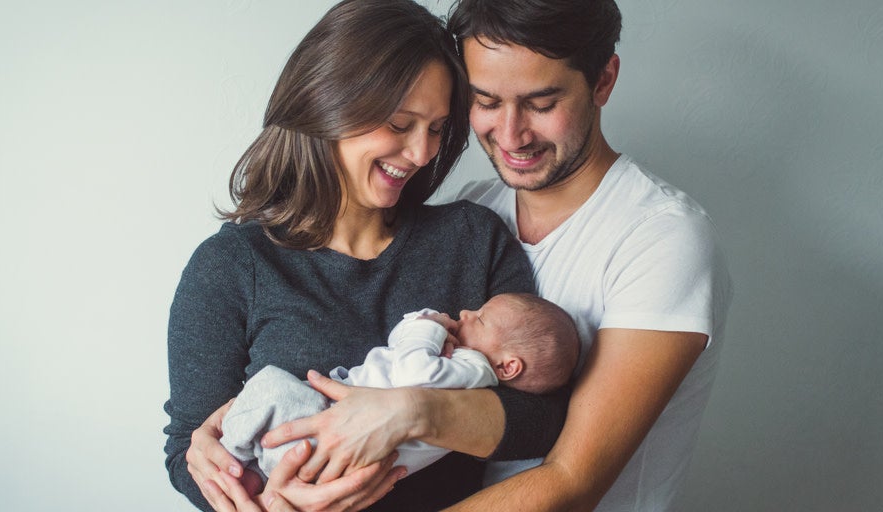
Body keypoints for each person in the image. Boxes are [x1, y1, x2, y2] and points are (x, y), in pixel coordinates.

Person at [214, 1, 733, 511]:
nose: (510, 135)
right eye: (485, 101)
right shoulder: (474, 215)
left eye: (542, 102)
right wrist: (212, 445)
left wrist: (413, 411)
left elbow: (571, 482)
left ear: (602, 81)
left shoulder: (661, 238)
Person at [163, 1, 570, 511]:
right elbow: (187, 448)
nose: (423, 154)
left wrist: (410, 412)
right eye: (401, 124)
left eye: (438, 128)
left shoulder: (473, 239)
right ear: (326, 104)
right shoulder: (230, 268)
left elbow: (541, 419)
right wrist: (257, 501)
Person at [220, 293, 580, 482]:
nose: (467, 313)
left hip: (323, 438)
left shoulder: (475, 370)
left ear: (507, 366)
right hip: (318, 450)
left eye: (481, 318)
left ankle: (231, 455)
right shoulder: (461, 367)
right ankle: (245, 472)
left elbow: (411, 371)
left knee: (270, 383)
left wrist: (431, 328)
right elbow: (401, 341)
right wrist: (426, 323)